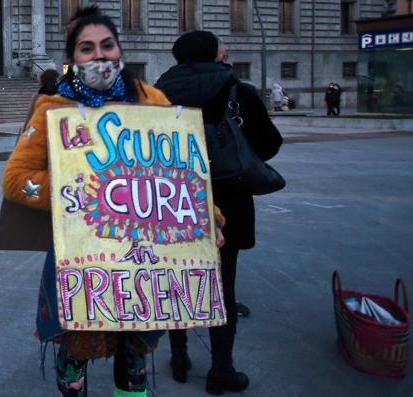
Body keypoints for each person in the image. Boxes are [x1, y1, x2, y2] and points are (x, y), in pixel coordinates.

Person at [1, 7, 223, 397]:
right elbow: (16, 179)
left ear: (120, 50)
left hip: (146, 256)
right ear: (72, 59)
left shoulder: (152, 101)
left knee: (135, 356)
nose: (99, 56)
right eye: (87, 49)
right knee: (76, 354)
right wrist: (81, 191)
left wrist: (212, 221)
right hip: (83, 256)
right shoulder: (53, 108)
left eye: (107, 45)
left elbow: (185, 170)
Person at [154, 30, 282, 395]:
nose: (228, 49)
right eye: (223, 45)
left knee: (179, 279)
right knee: (223, 283)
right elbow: (269, 145)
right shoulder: (238, 91)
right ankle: (221, 370)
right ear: (213, 53)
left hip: (173, 200)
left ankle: (179, 359)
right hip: (229, 197)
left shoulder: (157, 95)